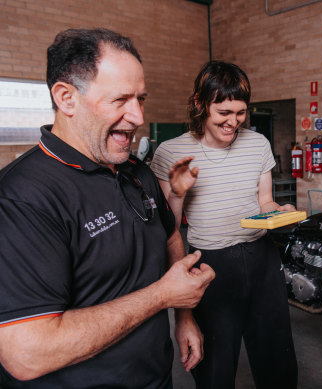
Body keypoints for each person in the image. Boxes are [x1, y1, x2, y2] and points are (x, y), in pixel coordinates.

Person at [0, 28, 215, 388]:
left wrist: (184, 316)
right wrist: (164, 295)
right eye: (121, 100)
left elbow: (169, 236)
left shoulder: (136, 172)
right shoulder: (22, 198)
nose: (137, 117)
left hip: (155, 377)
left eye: (141, 99)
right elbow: (28, 354)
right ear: (66, 98)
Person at [150, 61, 298, 389]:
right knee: (215, 366)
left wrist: (279, 211)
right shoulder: (171, 152)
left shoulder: (257, 144)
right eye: (224, 113)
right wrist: (176, 193)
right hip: (211, 265)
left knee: (277, 359)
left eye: (241, 113)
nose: (233, 122)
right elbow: (168, 229)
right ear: (201, 104)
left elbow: (264, 201)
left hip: (262, 258)